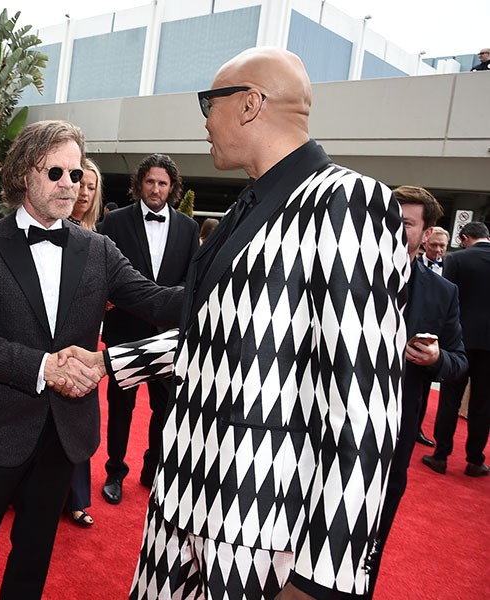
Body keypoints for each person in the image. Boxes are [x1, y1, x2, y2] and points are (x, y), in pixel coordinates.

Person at [63, 48, 409, 599]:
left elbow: (364, 404)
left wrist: (323, 580)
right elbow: (228, 335)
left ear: (250, 104)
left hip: (258, 525)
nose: (204, 119)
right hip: (180, 503)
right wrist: (109, 362)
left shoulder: (346, 201)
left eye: (210, 102)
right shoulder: (250, 205)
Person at [0, 119, 184, 599]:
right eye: (56, 174)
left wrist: (228, 288)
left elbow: (154, 300)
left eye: (75, 174)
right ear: (26, 173)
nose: (70, 185)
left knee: (34, 556)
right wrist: (42, 366)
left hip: (64, 434)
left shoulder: (98, 249)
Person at [364, 186, 466, 596]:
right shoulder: (344, 273)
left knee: (375, 527)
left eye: (405, 224)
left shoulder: (443, 292)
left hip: (397, 428)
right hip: (327, 420)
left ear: (426, 233)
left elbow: (459, 360)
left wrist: (436, 360)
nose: (393, 230)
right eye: (388, 220)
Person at [97, 153, 199, 505]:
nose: (156, 189)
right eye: (150, 181)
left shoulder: (188, 228)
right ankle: (114, 471)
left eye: (163, 183)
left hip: (168, 335)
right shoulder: (115, 223)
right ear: (139, 183)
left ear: (172, 188)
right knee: (121, 407)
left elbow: (191, 280)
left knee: (165, 407)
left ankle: (152, 467)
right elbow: (104, 274)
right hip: (125, 328)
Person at [423, 221, 490, 477]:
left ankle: (441, 456)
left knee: (450, 399)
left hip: (460, 339)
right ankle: (475, 460)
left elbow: (444, 300)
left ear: (464, 238)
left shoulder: (458, 259)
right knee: (483, 403)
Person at [63, 159, 104, 527]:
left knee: (78, 416)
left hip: (85, 339)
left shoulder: (100, 242)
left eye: (91, 186)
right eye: (80, 182)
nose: (84, 192)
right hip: (51, 341)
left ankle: (76, 498)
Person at [416, 224, 451, 446]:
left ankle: (416, 427)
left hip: (437, 338)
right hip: (414, 333)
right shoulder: (413, 265)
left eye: (443, 246)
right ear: (425, 243)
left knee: (426, 386)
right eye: (434, 245)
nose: (438, 250)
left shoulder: (451, 268)